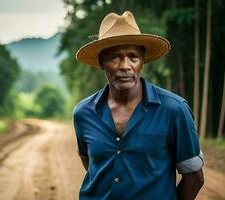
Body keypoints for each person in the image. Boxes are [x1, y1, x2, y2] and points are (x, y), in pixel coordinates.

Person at [73, 11, 204, 200]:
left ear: (143, 61)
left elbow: (195, 177)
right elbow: (91, 164)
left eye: (133, 57)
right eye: (115, 57)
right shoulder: (83, 113)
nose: (125, 66)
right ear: (102, 62)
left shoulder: (174, 110)